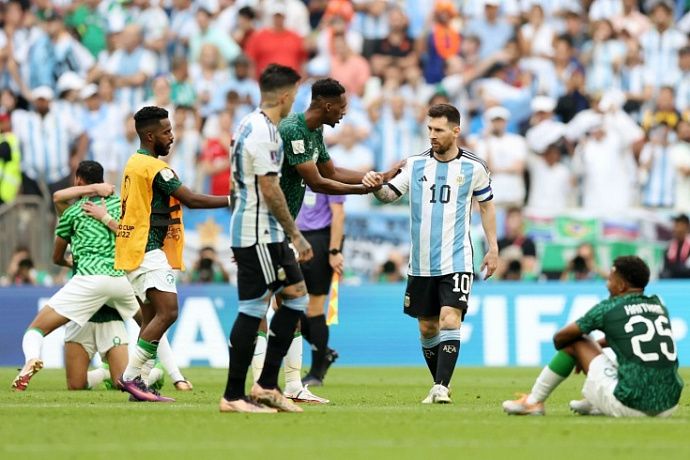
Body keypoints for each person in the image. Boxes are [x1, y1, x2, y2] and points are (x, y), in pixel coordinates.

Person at [371, 103, 498, 404]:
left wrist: (493, 248)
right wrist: (376, 186)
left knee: (450, 318)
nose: (432, 135)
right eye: (429, 129)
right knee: (427, 327)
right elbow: (389, 195)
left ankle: (441, 386)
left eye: (439, 130)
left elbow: (487, 205)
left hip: (457, 259)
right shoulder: (414, 164)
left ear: (456, 131)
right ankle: (438, 383)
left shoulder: (473, 167)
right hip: (421, 262)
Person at [114, 106, 232, 402]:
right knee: (169, 312)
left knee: (151, 316)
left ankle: (139, 383)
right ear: (150, 135)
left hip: (133, 249)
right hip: (147, 248)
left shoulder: (134, 162)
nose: (172, 137)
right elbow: (191, 199)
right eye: (166, 132)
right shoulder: (156, 169)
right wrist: (234, 199)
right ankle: (130, 377)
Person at [221, 64, 309, 414]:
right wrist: (296, 235)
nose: (295, 104)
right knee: (254, 308)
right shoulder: (265, 132)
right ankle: (234, 394)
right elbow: (270, 188)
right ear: (286, 95)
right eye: (296, 96)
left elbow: (232, 187)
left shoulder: (247, 124)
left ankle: (266, 385)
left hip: (255, 231)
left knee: (295, 297)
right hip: (260, 232)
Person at [11, 161, 139, 391]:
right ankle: (168, 374)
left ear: (78, 180)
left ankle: (32, 358)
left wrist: (70, 262)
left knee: (36, 330)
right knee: (153, 324)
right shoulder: (120, 205)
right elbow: (132, 235)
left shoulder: (71, 212)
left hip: (88, 280)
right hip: (119, 279)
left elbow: (56, 256)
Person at [503, 256, 683, 417]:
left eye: (610, 279)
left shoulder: (608, 307)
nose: (607, 284)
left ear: (621, 286)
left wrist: (578, 354)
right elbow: (630, 338)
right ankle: (594, 401)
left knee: (576, 341)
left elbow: (561, 338)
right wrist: (592, 350)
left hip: (633, 405)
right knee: (630, 359)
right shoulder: (658, 305)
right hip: (668, 405)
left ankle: (533, 401)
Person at [294, 188, 344, 387]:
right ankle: (324, 352)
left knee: (314, 308)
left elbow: (338, 213)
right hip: (295, 237)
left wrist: (334, 250)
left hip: (319, 240)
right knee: (281, 305)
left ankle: (316, 373)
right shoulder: (293, 171)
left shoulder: (326, 172)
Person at [660, 214, 690, 279]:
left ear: (687, 227)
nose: (677, 229)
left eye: (680, 226)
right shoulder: (668, 247)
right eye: (676, 226)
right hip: (672, 284)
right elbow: (663, 269)